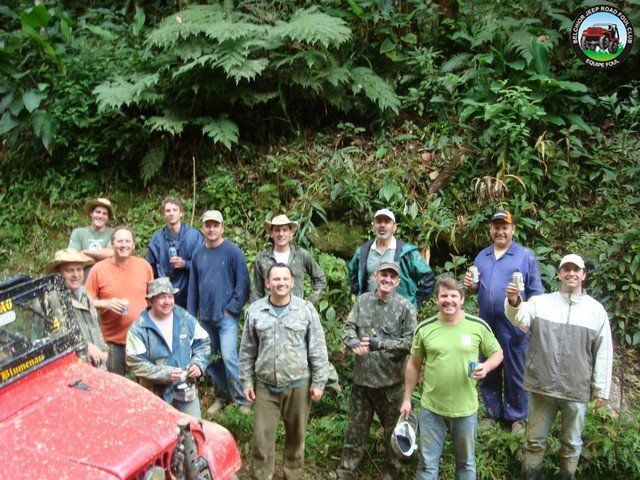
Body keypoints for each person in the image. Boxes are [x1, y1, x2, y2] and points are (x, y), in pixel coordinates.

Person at [504, 254, 613, 480]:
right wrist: (514, 301)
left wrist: (601, 388)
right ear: (559, 274)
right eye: (567, 269)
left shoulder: (596, 311)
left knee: (572, 443)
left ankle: (567, 475)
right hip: (542, 384)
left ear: (584, 275)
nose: (571, 273)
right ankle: (529, 475)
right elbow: (520, 319)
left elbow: (604, 351)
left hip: (576, 388)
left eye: (576, 270)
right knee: (534, 441)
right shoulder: (540, 302)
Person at [402, 275, 503, 480]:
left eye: (454, 296)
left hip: (465, 409)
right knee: (427, 465)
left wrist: (486, 367)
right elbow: (413, 364)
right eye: (444, 296)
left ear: (462, 299)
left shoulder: (477, 326)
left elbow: (498, 353)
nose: (449, 300)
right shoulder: (425, 328)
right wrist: (406, 399)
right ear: (437, 299)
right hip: (431, 408)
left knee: (466, 464)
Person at [239, 263, 329, 480]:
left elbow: (317, 348)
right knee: (261, 441)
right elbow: (247, 350)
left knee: (296, 439)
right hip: (265, 386)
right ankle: (261, 476)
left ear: (292, 282)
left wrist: (319, 383)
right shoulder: (255, 311)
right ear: (267, 283)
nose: (281, 283)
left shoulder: (305, 310)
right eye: (276, 279)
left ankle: (293, 475)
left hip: (298, 384)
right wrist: (246, 381)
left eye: (285, 279)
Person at [463, 209, 543, 432]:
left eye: (504, 227)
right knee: (487, 367)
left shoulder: (524, 256)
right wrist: (470, 286)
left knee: (515, 369)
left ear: (513, 230)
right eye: (496, 227)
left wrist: (530, 317)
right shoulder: (482, 256)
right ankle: (491, 412)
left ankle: (517, 417)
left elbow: (536, 293)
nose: (500, 231)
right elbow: (477, 287)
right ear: (491, 230)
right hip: (487, 324)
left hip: (515, 324)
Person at [337, 261, 416, 480]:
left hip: (391, 386)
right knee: (355, 431)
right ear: (375, 277)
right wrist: (355, 345)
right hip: (362, 384)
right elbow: (348, 328)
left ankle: (392, 474)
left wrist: (382, 344)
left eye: (392, 277)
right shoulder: (363, 301)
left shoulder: (405, 307)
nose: (387, 280)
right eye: (384, 275)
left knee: (393, 434)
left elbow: (411, 342)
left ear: (398, 281)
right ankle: (346, 471)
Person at [187, 210, 250, 415]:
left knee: (229, 358)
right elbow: (193, 286)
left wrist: (232, 309)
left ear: (222, 227)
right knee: (211, 360)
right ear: (203, 228)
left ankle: (242, 402)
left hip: (226, 318)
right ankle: (222, 396)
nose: (212, 229)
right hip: (205, 317)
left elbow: (243, 283)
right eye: (208, 225)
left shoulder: (232, 251)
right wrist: (191, 315)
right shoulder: (198, 253)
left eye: (216, 225)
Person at [126, 277, 210, 417]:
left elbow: (203, 343)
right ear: (150, 300)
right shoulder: (139, 329)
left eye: (170, 296)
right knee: (159, 435)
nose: (167, 302)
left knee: (192, 432)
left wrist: (198, 364)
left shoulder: (185, 319)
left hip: (185, 390)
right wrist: (165, 374)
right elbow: (134, 363)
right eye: (162, 297)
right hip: (154, 395)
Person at [86, 226, 153, 376]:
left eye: (127, 241)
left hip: (141, 340)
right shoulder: (98, 269)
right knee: (116, 387)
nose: (123, 245)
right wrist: (105, 303)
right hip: (113, 342)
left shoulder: (144, 266)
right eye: (119, 241)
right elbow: (85, 302)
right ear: (112, 244)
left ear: (133, 245)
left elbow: (152, 300)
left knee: (144, 389)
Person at [349, 208, 435, 308]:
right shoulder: (363, 251)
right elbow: (353, 274)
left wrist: (414, 302)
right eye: (379, 221)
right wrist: (359, 295)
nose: (382, 225)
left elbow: (428, 277)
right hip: (370, 311)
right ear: (373, 226)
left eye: (387, 222)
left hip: (399, 313)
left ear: (394, 228)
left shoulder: (406, 253)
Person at [46, 248, 108, 369]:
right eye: (69, 271)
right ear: (59, 274)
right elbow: (56, 336)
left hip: (98, 365)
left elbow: (95, 325)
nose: (76, 275)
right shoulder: (51, 300)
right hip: (75, 369)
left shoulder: (84, 293)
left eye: (79, 269)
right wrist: (86, 346)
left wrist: (104, 350)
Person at [251, 214, 327, 304]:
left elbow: (321, 279)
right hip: (269, 313)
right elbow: (256, 290)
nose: (281, 234)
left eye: (284, 230)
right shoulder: (262, 258)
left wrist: (309, 303)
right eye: (277, 230)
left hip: (296, 313)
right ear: (271, 233)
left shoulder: (301, 255)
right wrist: (257, 311)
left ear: (291, 233)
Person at [146, 196, 204, 308]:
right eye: (168, 211)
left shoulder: (194, 236)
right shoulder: (157, 237)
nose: (171, 213)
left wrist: (185, 264)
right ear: (164, 214)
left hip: (188, 293)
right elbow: (150, 266)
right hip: (164, 294)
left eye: (175, 210)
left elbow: (203, 265)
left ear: (181, 213)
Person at [68, 198, 115, 268]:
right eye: (98, 212)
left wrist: (85, 252)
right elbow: (73, 259)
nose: (100, 216)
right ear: (91, 213)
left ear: (108, 217)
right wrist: (102, 257)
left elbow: (112, 254)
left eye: (104, 213)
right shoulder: (78, 233)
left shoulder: (114, 233)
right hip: (82, 278)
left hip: (105, 277)